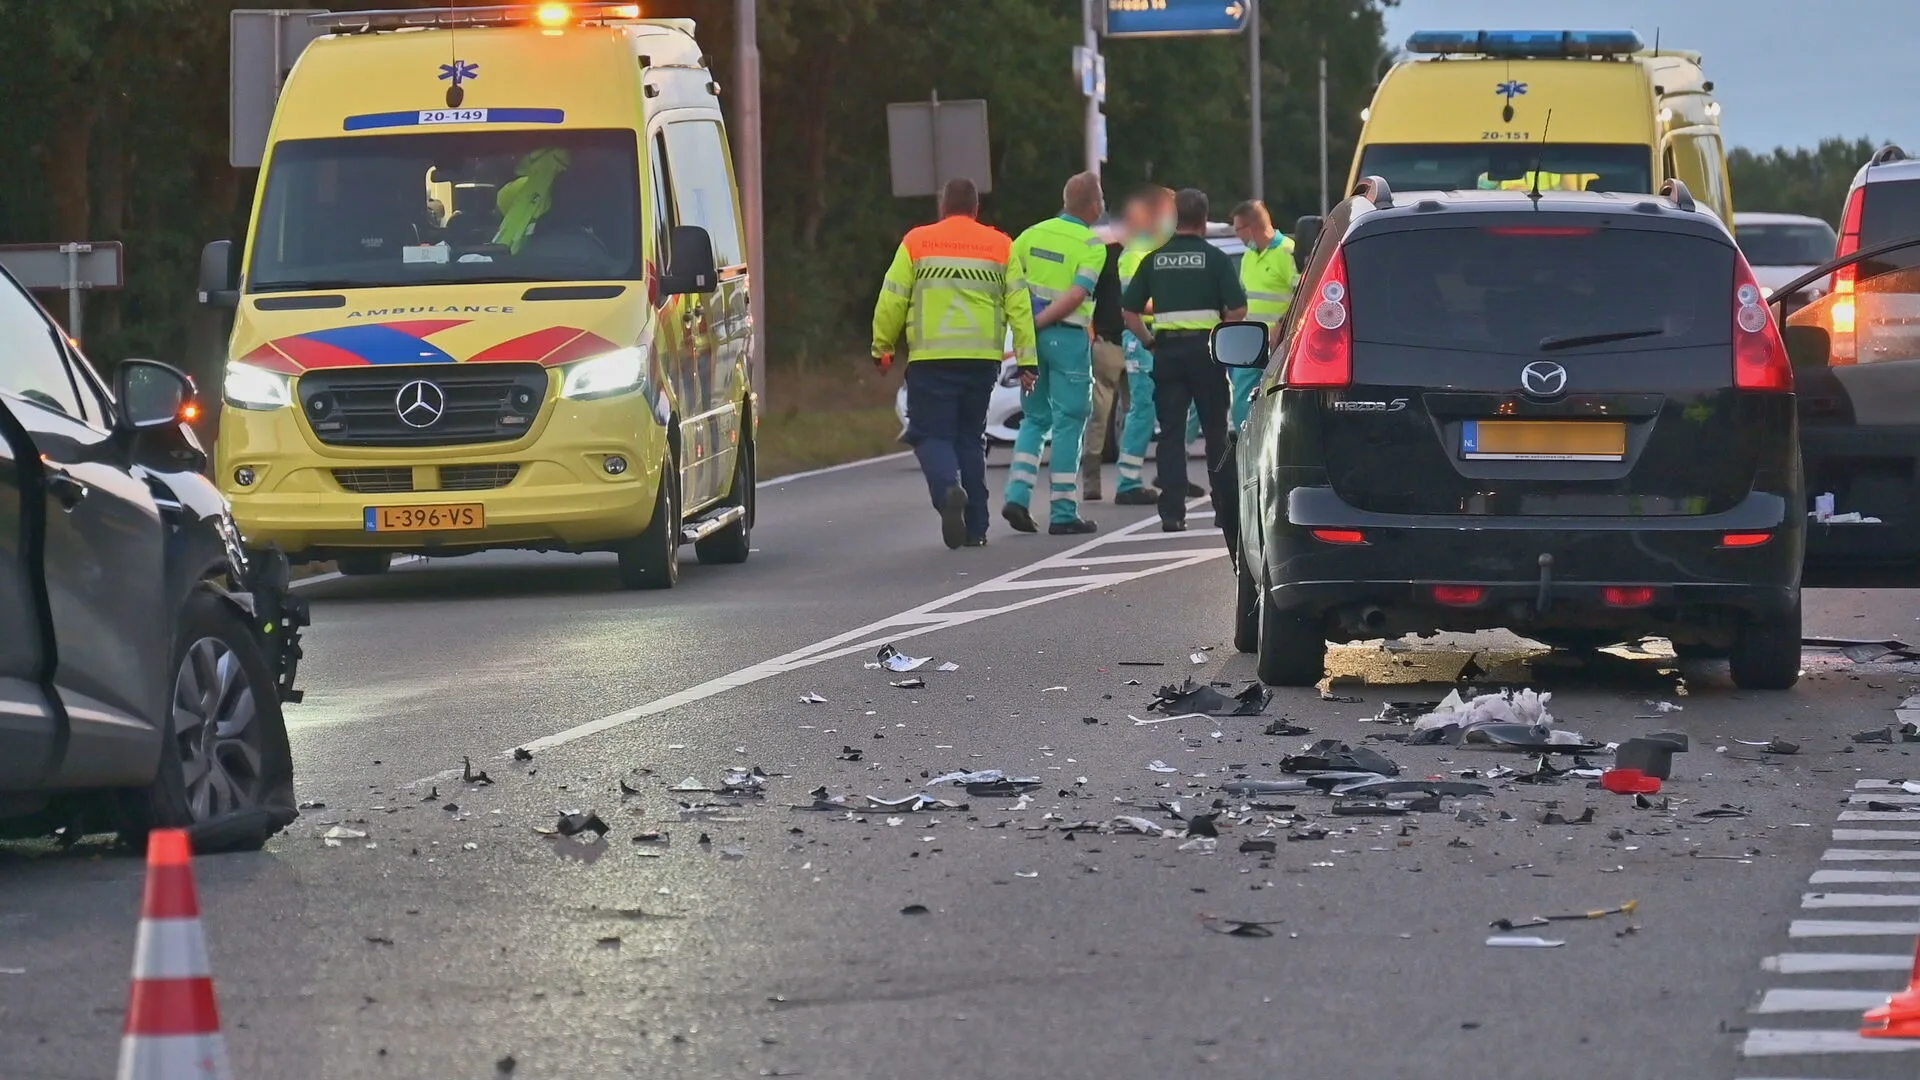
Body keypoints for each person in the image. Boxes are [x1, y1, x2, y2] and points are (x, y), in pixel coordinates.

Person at [872, 177, 1037, 549]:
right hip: (982, 360)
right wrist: (1027, 361)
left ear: (942, 207)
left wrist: (882, 346)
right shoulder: (1000, 246)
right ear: (976, 209)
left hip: (932, 358)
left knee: (931, 434)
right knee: (970, 437)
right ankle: (976, 527)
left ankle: (948, 490)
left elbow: (892, 297)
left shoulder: (917, 242)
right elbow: (1020, 308)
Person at [1121, 187, 1246, 533]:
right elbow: (1238, 309)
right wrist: (1220, 331)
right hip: (1206, 353)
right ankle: (1224, 510)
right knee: (1216, 433)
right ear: (1204, 219)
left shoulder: (1155, 259)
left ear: (1176, 219)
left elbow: (1129, 311)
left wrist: (1150, 343)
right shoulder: (1216, 259)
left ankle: (1173, 513)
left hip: (1168, 355)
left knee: (1171, 434)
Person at [1001, 172, 1108, 536]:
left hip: (1029, 342)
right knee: (1069, 420)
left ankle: (1017, 493)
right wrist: (1044, 320)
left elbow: (1009, 286)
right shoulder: (1093, 245)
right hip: (1067, 339)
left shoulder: (1029, 236)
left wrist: (1027, 328)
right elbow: (1078, 294)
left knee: (1034, 418)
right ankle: (1063, 511)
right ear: (1095, 205)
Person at [1112, 188, 1171, 505]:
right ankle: (1128, 481)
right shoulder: (1135, 254)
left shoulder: (1158, 251)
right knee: (1143, 408)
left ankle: (1148, 475)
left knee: (1160, 408)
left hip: (1160, 338)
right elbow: (1135, 304)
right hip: (1141, 338)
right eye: (1166, 212)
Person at [1228, 200, 1299, 427]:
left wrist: (1280, 325)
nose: (1236, 235)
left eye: (1238, 229)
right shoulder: (1249, 255)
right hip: (1252, 340)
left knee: (1279, 398)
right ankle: (1241, 444)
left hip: (1281, 342)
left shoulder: (1288, 252)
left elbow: (1302, 296)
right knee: (1241, 396)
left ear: (1251, 227)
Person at [1078, 225, 1127, 502]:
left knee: (1100, 417)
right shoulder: (1140, 256)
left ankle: (1094, 484)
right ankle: (1124, 481)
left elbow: (1085, 298)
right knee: (1133, 416)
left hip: (1110, 343)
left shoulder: (1102, 257)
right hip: (1124, 343)